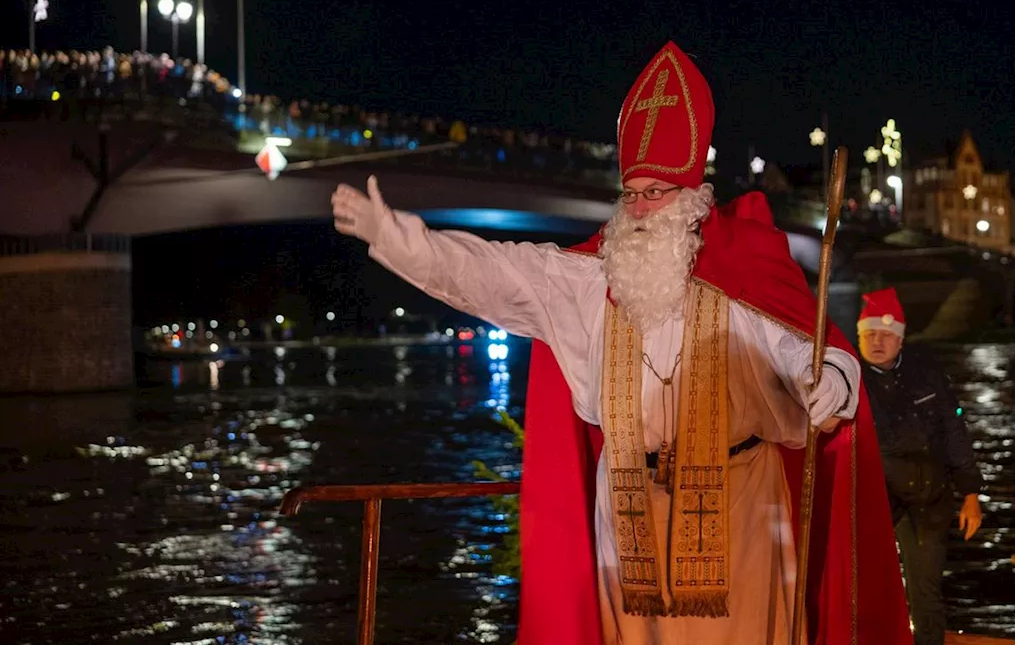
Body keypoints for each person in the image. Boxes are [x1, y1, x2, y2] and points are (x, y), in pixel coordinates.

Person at [332, 41, 911, 645]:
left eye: (654, 193)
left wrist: (831, 383)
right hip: (628, 511)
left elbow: (810, 351)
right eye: (630, 193)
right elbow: (495, 274)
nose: (637, 209)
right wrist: (403, 242)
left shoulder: (746, 270)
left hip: (738, 508)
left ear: (690, 200)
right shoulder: (591, 277)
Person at [855, 287, 984, 645]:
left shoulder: (926, 373)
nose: (877, 342)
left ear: (900, 340)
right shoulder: (847, 379)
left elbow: (954, 430)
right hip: (875, 502)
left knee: (925, 591)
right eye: (869, 335)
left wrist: (971, 492)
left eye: (885, 335)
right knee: (869, 584)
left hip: (930, 499)